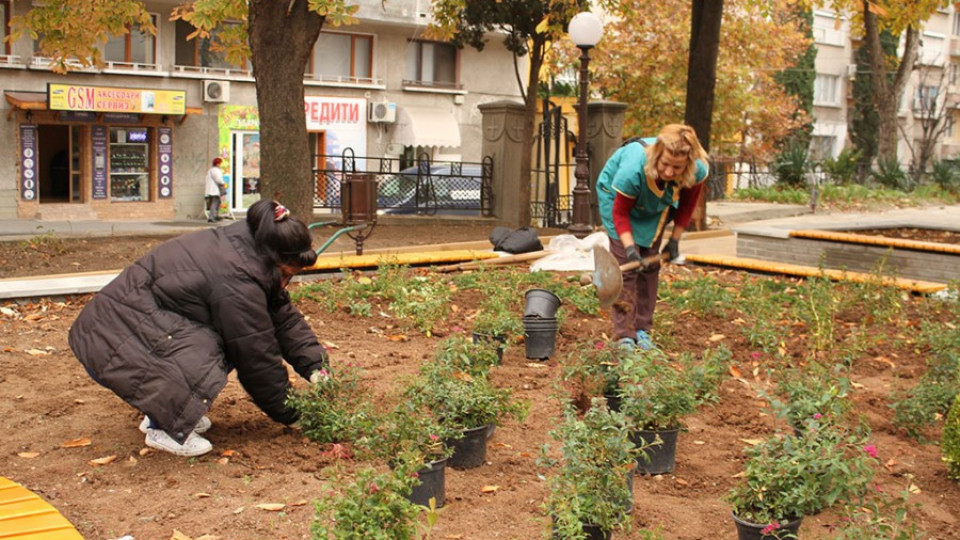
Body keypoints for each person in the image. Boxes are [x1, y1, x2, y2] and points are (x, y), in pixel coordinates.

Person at [68, 199, 328, 457]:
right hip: (112, 341)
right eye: (285, 275)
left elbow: (283, 318)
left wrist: (316, 366)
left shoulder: (250, 252)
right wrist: (292, 414)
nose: (285, 284)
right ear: (273, 258)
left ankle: (168, 415)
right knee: (220, 345)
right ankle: (164, 430)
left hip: (122, 331)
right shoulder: (236, 278)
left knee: (215, 338)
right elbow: (255, 354)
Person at [596, 124, 709, 351]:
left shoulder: (696, 170)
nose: (669, 172)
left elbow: (686, 206)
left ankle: (642, 330)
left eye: (677, 167)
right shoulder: (632, 170)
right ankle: (624, 335)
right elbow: (620, 213)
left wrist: (675, 240)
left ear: (687, 163)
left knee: (649, 266)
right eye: (665, 164)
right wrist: (629, 250)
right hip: (616, 198)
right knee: (626, 269)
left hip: (654, 205)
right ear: (657, 155)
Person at [204, 157, 226, 222]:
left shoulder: (210, 170)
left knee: (216, 202)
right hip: (214, 190)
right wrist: (223, 183)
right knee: (215, 203)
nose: (221, 165)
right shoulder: (216, 171)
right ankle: (212, 217)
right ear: (218, 164)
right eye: (220, 163)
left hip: (210, 190)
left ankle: (215, 215)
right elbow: (219, 180)